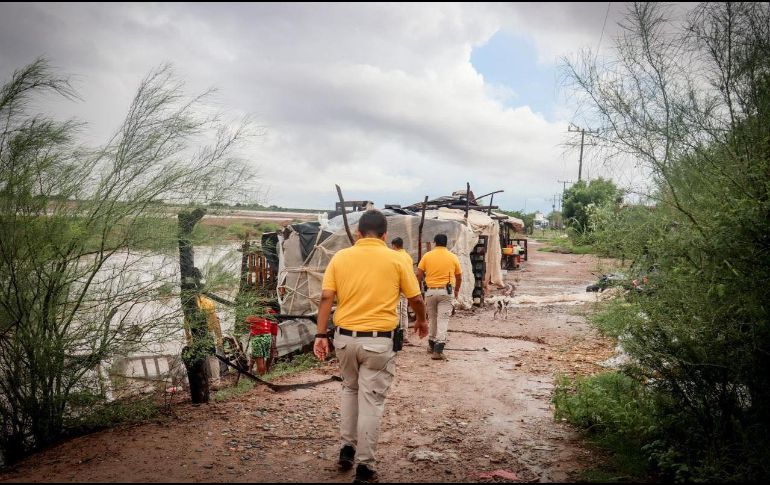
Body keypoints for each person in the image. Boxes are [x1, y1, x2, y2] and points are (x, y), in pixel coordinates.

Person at [314, 210, 428, 483]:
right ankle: (364, 468)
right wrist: (421, 320)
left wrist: (320, 335)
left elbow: (326, 296)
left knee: (349, 391)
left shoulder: (341, 257)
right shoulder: (396, 258)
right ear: (385, 235)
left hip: (344, 340)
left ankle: (346, 449)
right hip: (378, 342)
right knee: (371, 402)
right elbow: (415, 297)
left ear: (358, 233)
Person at [416, 233, 462, 360]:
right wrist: (456, 291)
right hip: (446, 292)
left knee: (432, 318)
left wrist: (420, 287)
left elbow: (419, 274)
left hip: (430, 292)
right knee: (443, 319)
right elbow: (459, 277)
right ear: (446, 243)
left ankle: (431, 345)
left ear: (435, 242)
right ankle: (438, 349)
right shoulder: (453, 257)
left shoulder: (427, 256)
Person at [390, 237, 416, 344]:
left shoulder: (394, 256)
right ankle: (404, 335)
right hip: (406, 288)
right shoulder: (408, 257)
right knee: (403, 311)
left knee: (397, 312)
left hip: (397, 288)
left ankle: (397, 336)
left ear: (394, 246)